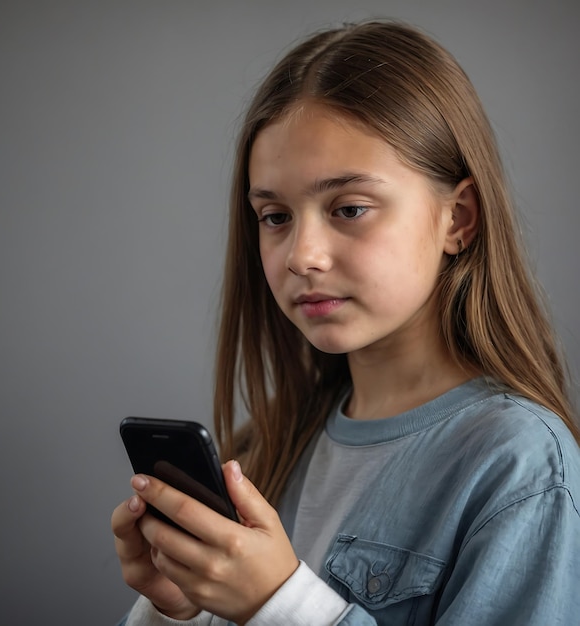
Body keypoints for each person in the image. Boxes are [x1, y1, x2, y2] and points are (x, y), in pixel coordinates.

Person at [111, 19, 580, 625]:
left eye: (350, 208)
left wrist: (277, 604)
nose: (302, 254)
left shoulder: (519, 468)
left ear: (458, 219)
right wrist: (178, 609)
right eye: (275, 216)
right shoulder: (269, 446)